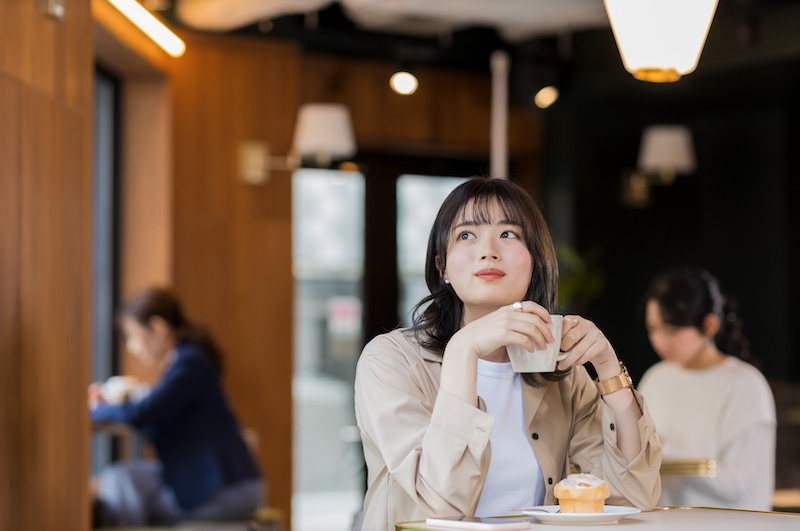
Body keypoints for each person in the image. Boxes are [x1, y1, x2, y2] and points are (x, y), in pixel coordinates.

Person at [354, 177, 662, 530]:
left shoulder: (559, 371)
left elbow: (633, 497)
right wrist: (463, 350)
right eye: (466, 235)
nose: (488, 250)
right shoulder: (391, 361)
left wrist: (608, 369)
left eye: (509, 234)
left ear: (534, 262)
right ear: (442, 267)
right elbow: (440, 509)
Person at [89, 287, 264, 526]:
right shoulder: (185, 361)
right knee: (122, 479)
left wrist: (93, 411)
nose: (131, 347)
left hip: (227, 491)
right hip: (216, 482)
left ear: (157, 328)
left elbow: (143, 412)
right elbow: (152, 405)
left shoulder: (190, 363)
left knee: (125, 488)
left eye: (131, 336)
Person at [638, 265, 776, 511]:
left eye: (671, 330)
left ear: (709, 325)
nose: (659, 341)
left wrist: (663, 448)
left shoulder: (745, 385)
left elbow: (741, 485)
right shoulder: (655, 378)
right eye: (652, 329)